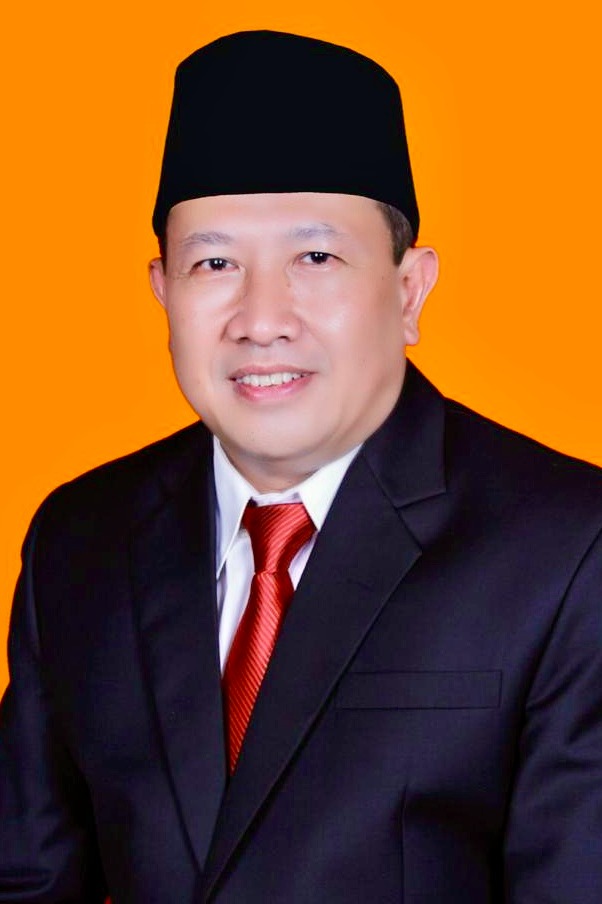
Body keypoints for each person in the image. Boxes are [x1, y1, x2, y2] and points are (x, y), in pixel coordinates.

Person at [1, 28, 602, 903]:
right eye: (214, 262)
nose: (261, 319)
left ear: (409, 290)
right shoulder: (79, 540)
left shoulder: (568, 547)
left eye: (316, 258)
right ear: (163, 290)